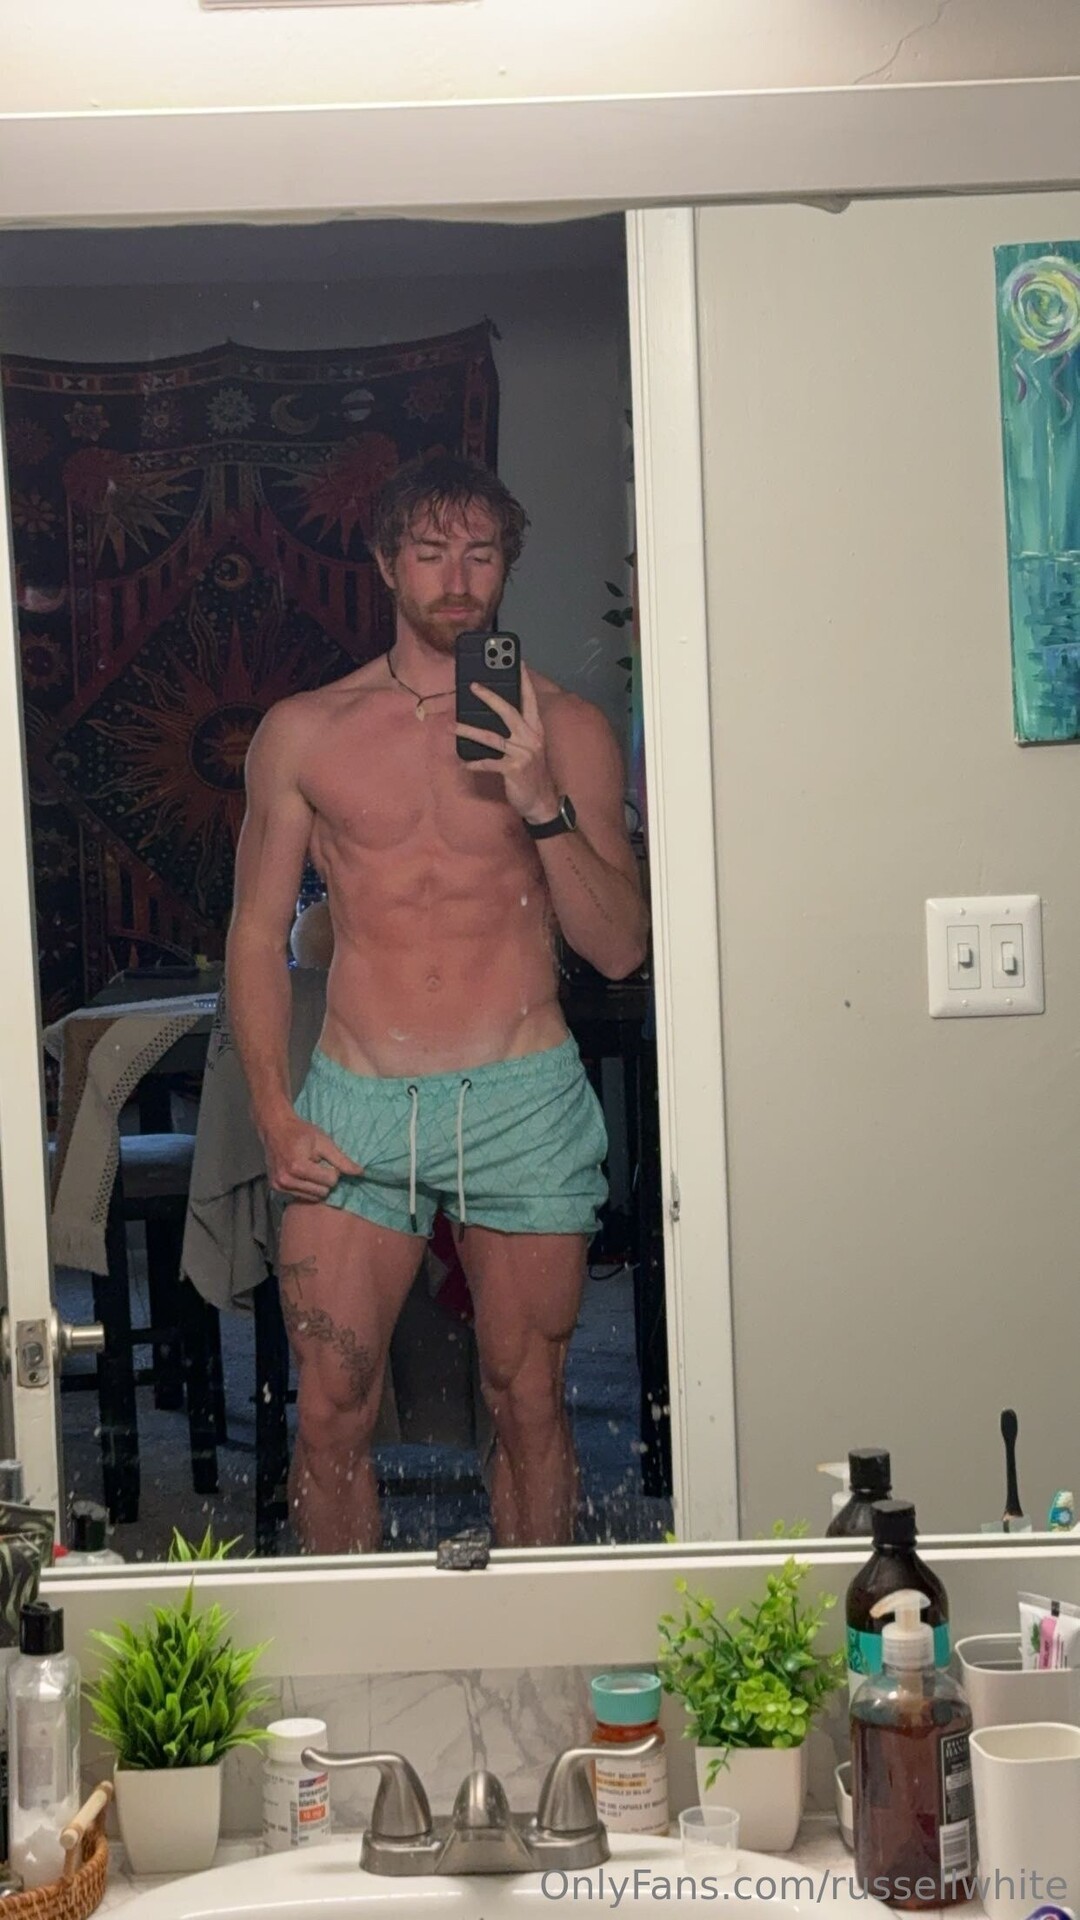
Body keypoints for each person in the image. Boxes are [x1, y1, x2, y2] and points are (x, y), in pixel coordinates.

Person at [226, 452, 649, 1553]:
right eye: (429, 553)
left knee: (529, 1402)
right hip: (360, 1097)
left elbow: (616, 949)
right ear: (384, 564)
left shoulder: (568, 729)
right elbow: (255, 936)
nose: (457, 580)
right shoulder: (306, 731)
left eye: (481, 553)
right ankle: (349, 1651)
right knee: (331, 1408)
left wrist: (540, 801)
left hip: (521, 1093)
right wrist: (274, 1112)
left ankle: (538, 1640)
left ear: (508, 565)